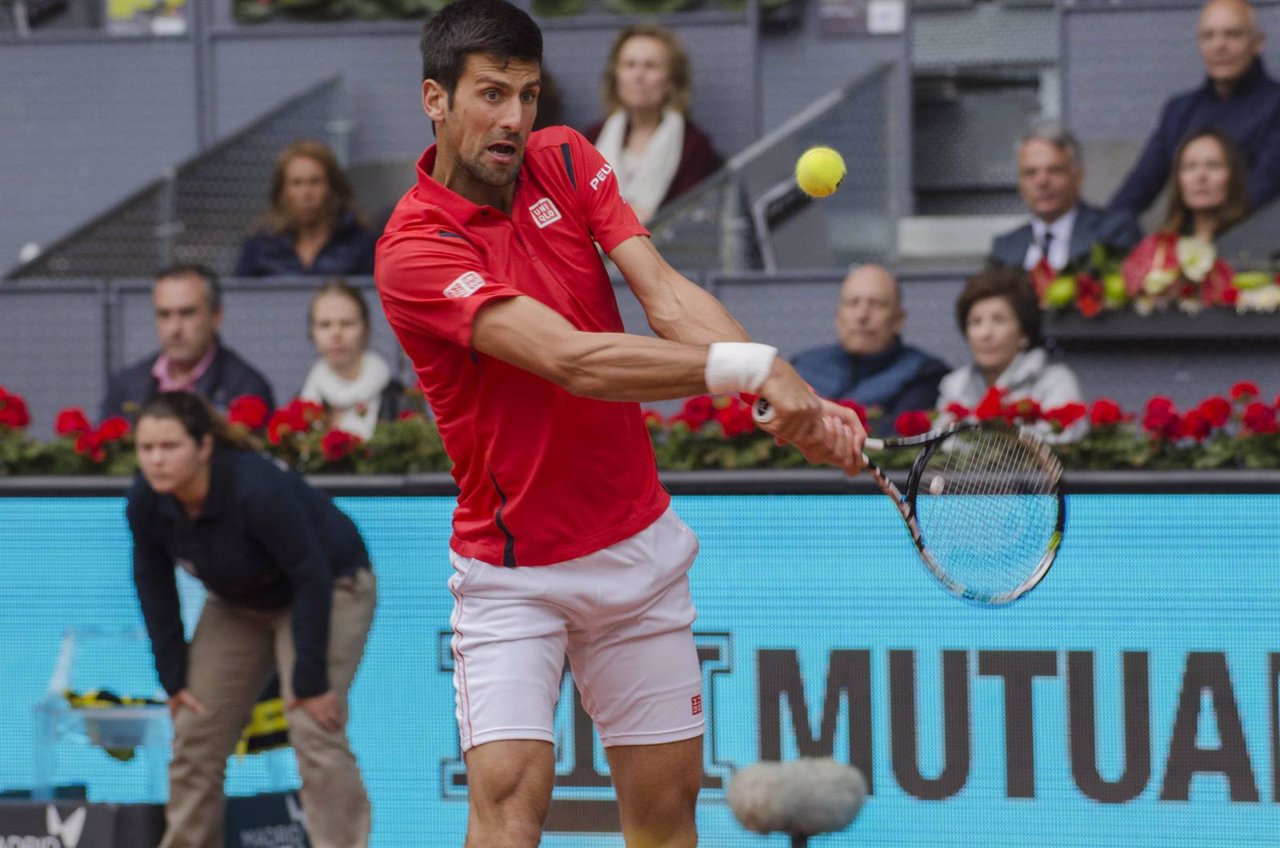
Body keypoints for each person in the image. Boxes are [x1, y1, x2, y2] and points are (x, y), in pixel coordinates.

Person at [374, 2, 865, 845]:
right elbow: (574, 360)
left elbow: (666, 297)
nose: (513, 119)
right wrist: (754, 368)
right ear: (436, 99)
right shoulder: (414, 249)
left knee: (666, 815)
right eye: (490, 94)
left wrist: (792, 401)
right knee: (507, 805)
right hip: (512, 572)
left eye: (527, 94)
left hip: (636, 549)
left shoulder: (566, 158)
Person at [127, 391, 376, 848]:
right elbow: (151, 581)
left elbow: (311, 575)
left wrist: (310, 681)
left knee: (310, 725)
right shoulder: (146, 499)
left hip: (331, 586)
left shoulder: (254, 488)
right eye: (146, 449)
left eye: (170, 447)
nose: (156, 460)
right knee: (195, 730)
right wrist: (174, 677)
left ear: (204, 447)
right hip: (238, 604)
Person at [1103, 0, 1280, 237]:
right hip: (1188, 246)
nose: (1219, 45)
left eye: (1233, 34)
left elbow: (1265, 182)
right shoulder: (1179, 111)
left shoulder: (1276, 104)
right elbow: (1141, 184)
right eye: (1208, 36)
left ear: (1258, 42)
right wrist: (1104, 234)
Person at [583, 23, 724, 224]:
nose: (638, 76)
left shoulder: (695, 147)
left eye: (650, 66)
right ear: (616, 76)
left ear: (670, 81)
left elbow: (693, 224)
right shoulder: (590, 139)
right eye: (629, 65)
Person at [102, 264, 275, 420]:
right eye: (164, 314)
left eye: (187, 313)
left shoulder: (245, 388)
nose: (174, 328)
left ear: (216, 316)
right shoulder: (126, 385)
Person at [791, 264, 949, 434]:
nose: (862, 315)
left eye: (877, 304)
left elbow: (899, 446)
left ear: (899, 319)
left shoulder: (924, 374)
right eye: (852, 303)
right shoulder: (802, 367)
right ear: (838, 316)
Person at [1120, 128, 1249, 304]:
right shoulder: (1156, 249)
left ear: (1233, 176)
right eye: (1190, 167)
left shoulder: (1256, 242)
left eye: (1214, 165)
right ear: (1178, 178)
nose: (1201, 176)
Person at [990, 123, 1141, 271]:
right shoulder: (1005, 247)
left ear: (1078, 176)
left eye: (1055, 170)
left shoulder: (1114, 233)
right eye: (1030, 173)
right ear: (1020, 184)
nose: (1042, 182)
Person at [937, 267, 1083, 415]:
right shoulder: (954, 386)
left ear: (1024, 331)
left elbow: (1059, 437)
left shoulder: (1055, 382)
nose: (985, 333)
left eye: (999, 320)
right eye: (976, 322)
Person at [235, 139, 379, 277]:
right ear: (282, 191)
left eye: (315, 182)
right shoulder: (259, 246)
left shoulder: (361, 243)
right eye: (296, 183)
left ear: (332, 187)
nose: (306, 193)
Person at [300, 278, 406, 439]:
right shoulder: (300, 403)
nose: (336, 333)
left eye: (347, 323)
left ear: (366, 328)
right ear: (312, 332)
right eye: (325, 324)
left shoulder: (398, 401)